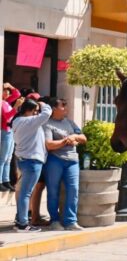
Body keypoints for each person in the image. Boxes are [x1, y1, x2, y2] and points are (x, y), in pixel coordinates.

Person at [43, 98, 86, 231]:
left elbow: (83, 138)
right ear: (54, 109)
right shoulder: (47, 124)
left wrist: (75, 137)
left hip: (72, 160)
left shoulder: (70, 122)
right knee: (53, 191)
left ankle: (70, 221)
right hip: (55, 160)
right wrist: (67, 140)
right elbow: (49, 145)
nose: (66, 108)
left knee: (73, 190)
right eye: (63, 106)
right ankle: (54, 220)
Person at [10, 99, 52, 232]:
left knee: (24, 192)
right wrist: (43, 104)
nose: (37, 113)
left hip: (24, 160)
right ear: (32, 110)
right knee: (26, 193)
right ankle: (23, 224)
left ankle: (20, 221)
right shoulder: (30, 121)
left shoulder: (17, 121)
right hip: (32, 162)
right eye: (36, 111)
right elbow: (47, 113)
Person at [1, 83, 23, 192]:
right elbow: (7, 117)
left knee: (8, 158)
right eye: (4, 90)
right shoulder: (2, 103)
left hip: (10, 131)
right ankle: (1, 181)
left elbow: (17, 93)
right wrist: (15, 107)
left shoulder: (6, 102)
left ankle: (6, 180)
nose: (7, 92)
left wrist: (11, 86)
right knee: (3, 158)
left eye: (7, 91)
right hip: (4, 131)